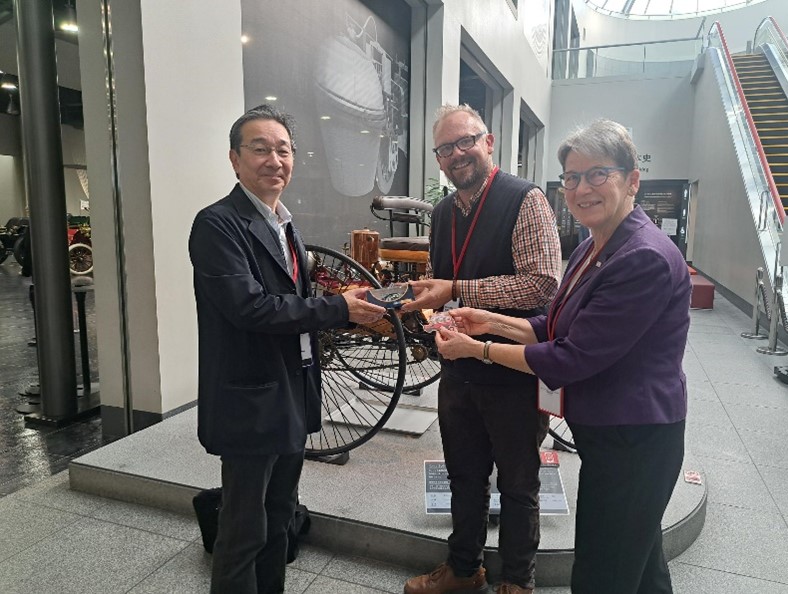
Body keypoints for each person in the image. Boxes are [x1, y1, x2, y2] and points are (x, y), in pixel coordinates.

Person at [435, 119, 691, 594]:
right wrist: (487, 320)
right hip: (610, 435)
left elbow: (570, 357)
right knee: (642, 569)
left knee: (603, 574)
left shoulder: (643, 257)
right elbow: (551, 325)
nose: (581, 188)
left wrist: (478, 348)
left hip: (633, 439)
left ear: (633, 180)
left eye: (598, 174)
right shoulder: (594, 247)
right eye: (572, 178)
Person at [189, 104, 385, 594]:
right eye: (260, 149)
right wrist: (338, 309)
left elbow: (295, 303)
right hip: (249, 398)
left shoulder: (285, 225)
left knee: (279, 518)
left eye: (283, 149)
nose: (274, 159)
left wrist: (346, 307)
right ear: (234, 159)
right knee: (242, 529)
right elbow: (251, 309)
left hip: (292, 392)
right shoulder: (217, 224)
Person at [401, 104, 561, 594]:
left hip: (513, 370)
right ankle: (464, 570)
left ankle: (517, 582)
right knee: (464, 477)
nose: (456, 154)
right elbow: (444, 286)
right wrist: (427, 311)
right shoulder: (444, 212)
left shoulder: (525, 199)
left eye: (465, 141)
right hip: (459, 372)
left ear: (488, 142)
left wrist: (455, 290)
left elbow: (542, 285)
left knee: (518, 486)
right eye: (445, 149)